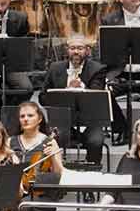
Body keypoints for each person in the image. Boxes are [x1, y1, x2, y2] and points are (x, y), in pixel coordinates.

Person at [41, 33, 109, 165]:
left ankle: (92, 173)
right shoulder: (55, 68)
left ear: (87, 51)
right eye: (72, 48)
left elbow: (97, 97)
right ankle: (56, 171)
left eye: (80, 48)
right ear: (67, 50)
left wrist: (81, 86)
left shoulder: (97, 69)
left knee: (96, 141)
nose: (76, 52)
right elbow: (42, 97)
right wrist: (66, 90)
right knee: (49, 141)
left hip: (89, 122)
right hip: (62, 122)